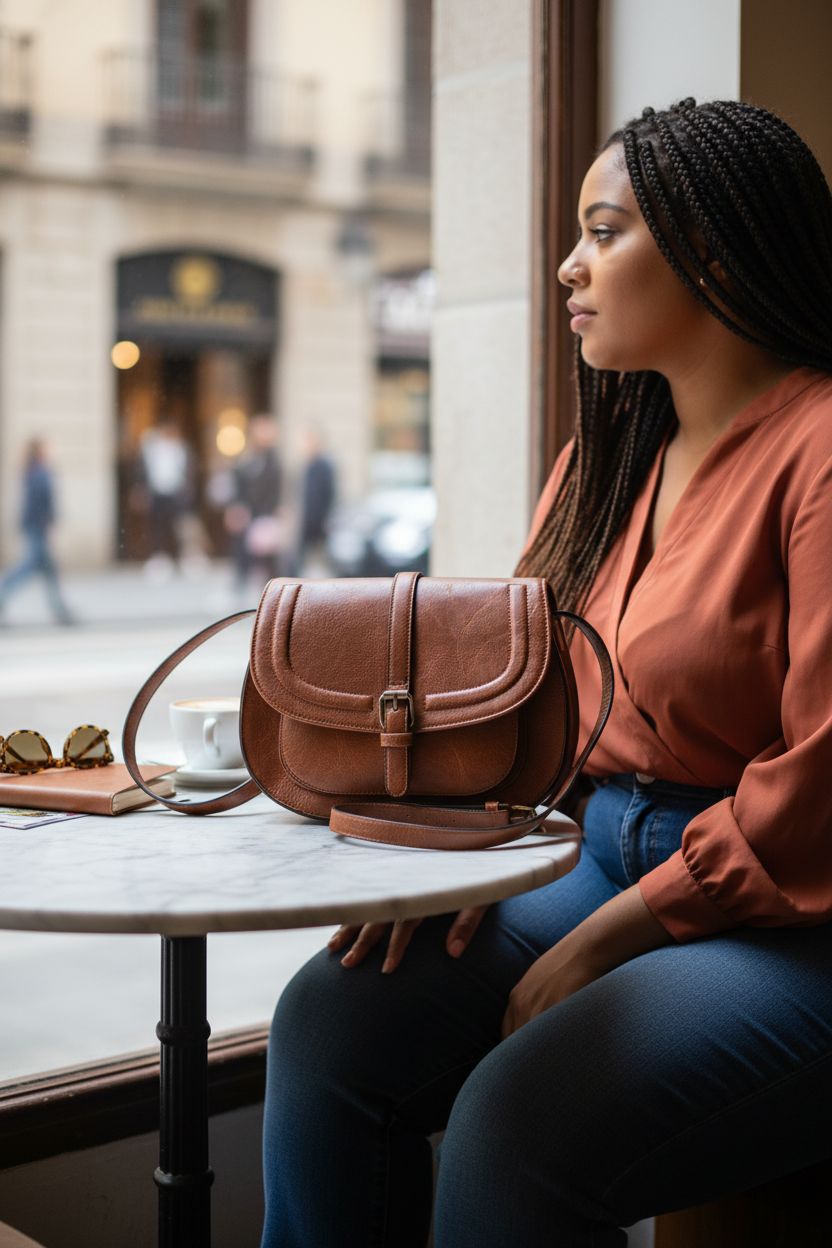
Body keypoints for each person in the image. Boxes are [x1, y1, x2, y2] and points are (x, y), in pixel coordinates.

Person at [258, 99, 832, 1247]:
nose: (568, 265)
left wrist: (603, 936)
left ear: (711, 248)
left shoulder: (819, 448)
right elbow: (537, 716)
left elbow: (818, 793)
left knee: (517, 1123)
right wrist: (478, 854)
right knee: (331, 1022)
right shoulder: (602, 463)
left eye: (603, 231)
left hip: (786, 914)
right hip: (591, 855)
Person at [0, 437, 74, 625]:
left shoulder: (33, 470)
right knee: (27, 568)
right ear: (40, 451)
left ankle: (61, 611)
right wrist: (48, 522)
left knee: (49, 571)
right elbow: (43, 502)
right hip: (38, 528)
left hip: (35, 526)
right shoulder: (41, 472)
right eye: (48, 447)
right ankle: (60, 611)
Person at [224, 413, 284, 592]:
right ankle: (242, 581)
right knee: (243, 549)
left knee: (267, 555)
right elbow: (239, 483)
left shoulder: (273, 460)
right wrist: (236, 507)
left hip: (265, 514)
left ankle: (270, 588)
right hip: (247, 512)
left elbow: (275, 489)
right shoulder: (247, 458)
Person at [287, 424, 336, 577]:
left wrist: (326, 519)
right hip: (306, 520)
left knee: (320, 561)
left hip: (318, 521)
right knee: (297, 561)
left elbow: (329, 495)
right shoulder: (306, 465)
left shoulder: (324, 466)